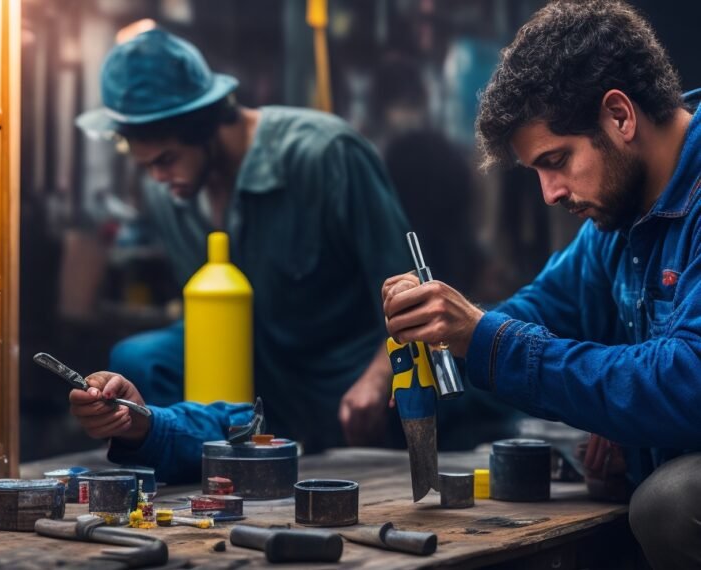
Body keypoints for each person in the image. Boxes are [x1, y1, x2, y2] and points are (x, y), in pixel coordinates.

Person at [381, 2, 701, 567]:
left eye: (556, 161)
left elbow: (688, 383)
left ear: (620, 116)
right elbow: (546, 308)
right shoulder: (621, 218)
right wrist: (449, 326)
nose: (550, 193)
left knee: (670, 501)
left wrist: (486, 339)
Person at [73, 28, 411, 455]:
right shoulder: (168, 195)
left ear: (206, 125)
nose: (157, 178)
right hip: (248, 376)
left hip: (337, 377)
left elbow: (412, 290)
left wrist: (380, 376)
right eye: (146, 166)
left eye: (166, 160)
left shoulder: (325, 154)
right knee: (138, 359)